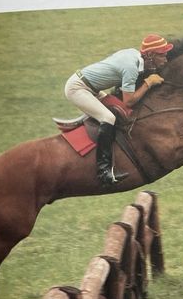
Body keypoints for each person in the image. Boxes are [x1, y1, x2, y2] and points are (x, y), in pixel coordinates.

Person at [64, 33, 173, 186]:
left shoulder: (135, 56)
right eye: (162, 55)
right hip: (78, 88)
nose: (165, 59)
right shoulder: (131, 66)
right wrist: (148, 83)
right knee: (108, 118)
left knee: (121, 112)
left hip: (91, 87)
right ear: (149, 54)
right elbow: (129, 101)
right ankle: (103, 171)